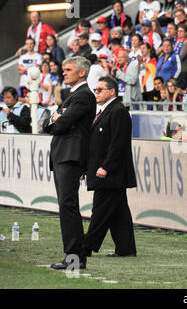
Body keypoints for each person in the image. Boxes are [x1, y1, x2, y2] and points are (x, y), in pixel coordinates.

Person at [43, 56, 97, 270]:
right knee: (66, 205)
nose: (63, 72)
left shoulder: (83, 96)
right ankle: (76, 254)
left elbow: (60, 123)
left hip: (70, 155)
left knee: (68, 205)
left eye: (68, 69)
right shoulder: (74, 95)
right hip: (64, 155)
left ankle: (74, 256)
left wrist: (57, 119)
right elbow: (50, 122)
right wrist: (56, 119)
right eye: (63, 69)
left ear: (81, 72)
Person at [81, 76, 137, 258]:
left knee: (100, 211)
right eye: (95, 90)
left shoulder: (118, 111)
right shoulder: (105, 111)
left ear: (112, 91)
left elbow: (118, 143)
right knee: (119, 212)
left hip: (110, 173)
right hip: (104, 171)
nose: (96, 93)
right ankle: (125, 249)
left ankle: (85, 246)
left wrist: (106, 166)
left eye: (100, 89)